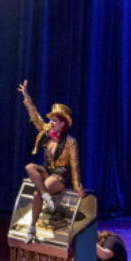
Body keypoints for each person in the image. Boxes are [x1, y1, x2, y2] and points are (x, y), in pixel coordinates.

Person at [17, 80, 83, 243]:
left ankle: (32, 228)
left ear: (63, 124)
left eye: (55, 121)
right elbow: (35, 116)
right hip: (48, 172)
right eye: (51, 120)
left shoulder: (70, 142)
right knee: (30, 167)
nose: (51, 123)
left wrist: (77, 186)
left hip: (60, 176)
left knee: (36, 194)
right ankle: (47, 197)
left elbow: (74, 166)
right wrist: (27, 97)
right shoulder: (46, 132)